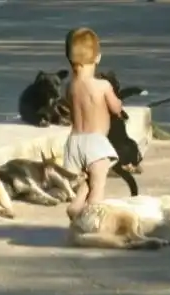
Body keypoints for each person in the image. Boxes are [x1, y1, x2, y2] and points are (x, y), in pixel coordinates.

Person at [63, 27, 125, 221]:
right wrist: (119, 105)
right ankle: (93, 221)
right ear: (98, 57)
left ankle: (76, 206)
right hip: (95, 144)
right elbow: (115, 108)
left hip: (74, 143)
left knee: (86, 183)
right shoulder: (102, 86)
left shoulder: (69, 87)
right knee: (98, 187)